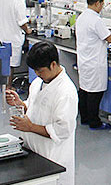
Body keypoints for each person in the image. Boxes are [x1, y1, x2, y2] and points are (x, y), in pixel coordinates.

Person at [6, 42, 78, 185]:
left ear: (53, 64)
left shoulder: (66, 92)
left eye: (40, 70)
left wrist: (30, 127)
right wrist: (20, 104)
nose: (37, 74)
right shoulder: (38, 82)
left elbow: (62, 130)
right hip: (32, 152)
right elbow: (34, 107)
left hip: (52, 158)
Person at [75, 0, 111, 130]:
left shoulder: (81, 17)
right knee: (95, 93)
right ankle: (95, 123)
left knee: (84, 91)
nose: (102, 7)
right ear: (97, 3)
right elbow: (109, 38)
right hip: (95, 62)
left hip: (84, 60)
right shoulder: (96, 20)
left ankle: (85, 118)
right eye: (102, 4)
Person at [0, 0, 33, 89]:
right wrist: (28, 30)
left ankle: (3, 87)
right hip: (13, 38)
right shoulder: (18, 1)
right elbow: (21, 22)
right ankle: (8, 87)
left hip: (2, 36)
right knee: (10, 65)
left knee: (3, 63)